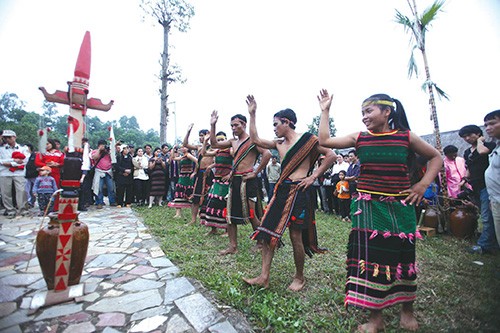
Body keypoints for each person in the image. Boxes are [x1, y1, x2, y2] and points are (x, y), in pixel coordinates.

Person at [318, 90, 442, 333]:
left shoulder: (406, 137)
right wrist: (325, 110)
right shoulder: (360, 138)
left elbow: (435, 157)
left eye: (369, 111)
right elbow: (324, 141)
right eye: (362, 113)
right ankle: (376, 318)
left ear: (387, 112)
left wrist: (422, 184)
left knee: (405, 259)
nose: (364, 117)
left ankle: (407, 310)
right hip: (368, 208)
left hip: (401, 208)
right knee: (372, 261)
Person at [242, 95, 335, 291]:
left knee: (296, 237)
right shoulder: (278, 144)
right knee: (266, 233)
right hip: (282, 191)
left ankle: (299, 277)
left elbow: (331, 155)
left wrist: (313, 176)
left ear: (287, 122)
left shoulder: (308, 140)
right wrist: (252, 114)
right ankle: (263, 276)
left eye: (276, 124)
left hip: (300, 191)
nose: (274, 128)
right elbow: (255, 140)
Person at [210, 111, 272, 255]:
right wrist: (213, 125)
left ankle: (261, 242)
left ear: (244, 125)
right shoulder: (232, 142)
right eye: (231, 126)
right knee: (230, 214)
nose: (233, 128)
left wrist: (255, 172)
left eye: (236, 125)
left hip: (248, 180)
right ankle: (233, 246)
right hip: (235, 180)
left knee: (252, 214)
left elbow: (267, 154)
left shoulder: (253, 141)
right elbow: (214, 144)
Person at [459, 124, 498, 254]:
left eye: (470, 135)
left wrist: (481, 141)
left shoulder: (489, 146)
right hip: (476, 186)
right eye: (464, 136)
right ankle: (492, 242)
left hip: (488, 186)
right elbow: (469, 168)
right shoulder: (467, 152)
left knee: (487, 217)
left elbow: (482, 152)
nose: (467, 138)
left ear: (478, 134)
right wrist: (464, 179)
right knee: (485, 215)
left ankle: (485, 245)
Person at [200, 131, 232, 234]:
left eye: (222, 140)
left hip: (226, 182)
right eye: (218, 140)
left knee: (225, 205)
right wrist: (205, 141)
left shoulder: (231, 150)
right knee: (211, 203)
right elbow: (203, 153)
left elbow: (238, 161)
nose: (220, 142)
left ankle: (227, 230)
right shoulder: (217, 151)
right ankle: (213, 229)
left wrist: (230, 175)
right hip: (217, 181)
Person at [183, 125, 214, 225]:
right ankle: (193, 219)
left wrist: (211, 167)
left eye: (202, 136)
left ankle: (206, 220)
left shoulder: (213, 147)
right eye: (199, 136)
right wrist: (188, 132)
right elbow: (185, 144)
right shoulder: (198, 147)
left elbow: (216, 160)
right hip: (200, 174)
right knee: (196, 197)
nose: (200, 138)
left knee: (208, 198)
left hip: (209, 174)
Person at [0, 130, 30, 218]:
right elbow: (1, 161)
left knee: (21, 191)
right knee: (6, 193)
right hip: (4, 173)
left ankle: (23, 209)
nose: (7, 139)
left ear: (14, 137)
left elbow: (25, 160)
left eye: (9, 137)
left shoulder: (22, 148)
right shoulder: (1, 149)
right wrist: (13, 161)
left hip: (19, 172)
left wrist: (10, 163)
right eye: (5, 137)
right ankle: (10, 210)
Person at [484, 110, 500, 247]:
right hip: (496, 199)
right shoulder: (497, 146)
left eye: (492, 124)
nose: (488, 128)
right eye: (486, 125)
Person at [167, 147, 197, 218]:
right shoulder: (183, 156)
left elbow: (197, 161)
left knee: (189, 193)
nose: (183, 148)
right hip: (182, 176)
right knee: (178, 193)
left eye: (185, 147)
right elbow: (173, 158)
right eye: (182, 147)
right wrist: (173, 150)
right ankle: (178, 213)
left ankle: (195, 213)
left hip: (188, 177)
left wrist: (194, 172)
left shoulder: (188, 155)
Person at [35, 138, 64, 211]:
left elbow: (63, 162)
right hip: (44, 174)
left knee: (55, 190)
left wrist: (56, 164)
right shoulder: (42, 153)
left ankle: (55, 207)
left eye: (48, 144)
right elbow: (37, 162)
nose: (46, 146)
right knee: (44, 190)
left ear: (52, 144)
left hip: (55, 174)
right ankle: (44, 207)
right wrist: (46, 164)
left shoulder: (59, 153)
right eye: (45, 144)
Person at [91, 139, 116, 209]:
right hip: (99, 171)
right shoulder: (95, 151)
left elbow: (113, 157)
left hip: (108, 171)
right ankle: (99, 202)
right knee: (98, 188)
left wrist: (109, 151)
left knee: (111, 187)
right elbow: (94, 157)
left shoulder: (108, 152)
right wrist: (99, 150)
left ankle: (112, 201)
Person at [24, 144, 38, 209]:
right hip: (25, 175)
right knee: (26, 189)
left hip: (34, 174)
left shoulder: (34, 155)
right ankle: (28, 202)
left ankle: (32, 201)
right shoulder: (23, 155)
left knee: (34, 189)